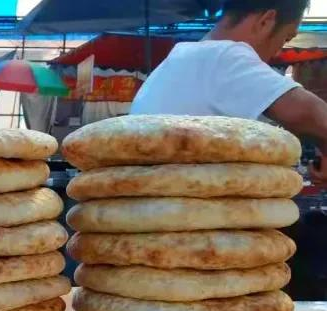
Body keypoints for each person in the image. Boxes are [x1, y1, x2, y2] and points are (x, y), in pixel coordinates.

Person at [131, 0, 327, 181]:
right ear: (266, 21)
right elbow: (312, 113)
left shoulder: (180, 58)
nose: (277, 52)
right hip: (182, 203)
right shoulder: (224, 56)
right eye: (286, 37)